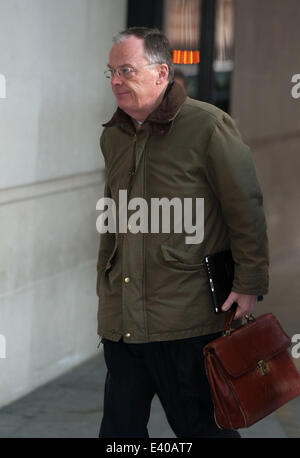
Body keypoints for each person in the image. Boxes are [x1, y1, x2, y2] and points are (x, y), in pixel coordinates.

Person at [96, 27, 269, 438]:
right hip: (122, 323)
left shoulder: (208, 126)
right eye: (111, 72)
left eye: (126, 70)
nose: (116, 81)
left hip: (187, 324)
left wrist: (249, 283)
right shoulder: (113, 135)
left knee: (202, 431)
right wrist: (103, 286)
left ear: (161, 73)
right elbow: (113, 220)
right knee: (118, 435)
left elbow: (245, 208)